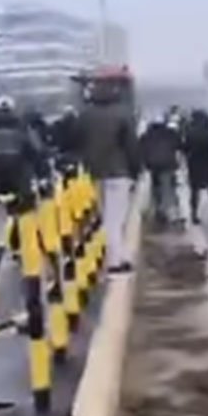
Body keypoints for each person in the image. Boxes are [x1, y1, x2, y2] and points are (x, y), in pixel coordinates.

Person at [78, 79, 140, 274]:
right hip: (118, 172)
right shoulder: (122, 114)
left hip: (94, 172)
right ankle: (115, 261)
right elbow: (131, 146)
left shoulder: (85, 115)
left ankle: (117, 256)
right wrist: (135, 170)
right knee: (116, 219)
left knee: (106, 216)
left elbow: (76, 141)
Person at [140, 113, 184, 226]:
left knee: (156, 188)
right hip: (168, 164)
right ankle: (174, 214)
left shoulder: (146, 135)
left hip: (153, 166)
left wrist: (144, 163)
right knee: (169, 189)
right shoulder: (171, 133)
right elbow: (179, 145)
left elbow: (140, 149)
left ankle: (159, 212)